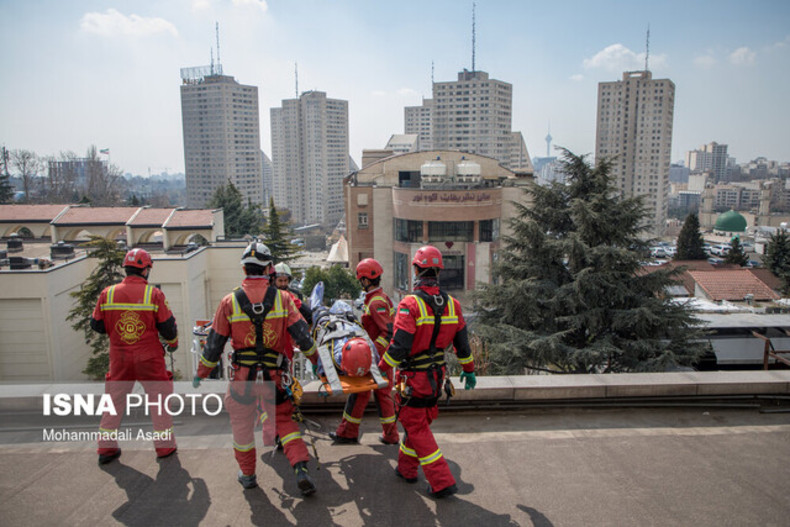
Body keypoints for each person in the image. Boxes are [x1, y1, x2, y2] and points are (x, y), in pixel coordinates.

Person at [192, 242, 320, 496]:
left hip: (242, 381)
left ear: (244, 269)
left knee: (242, 428)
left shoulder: (229, 302)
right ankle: (300, 467)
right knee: (286, 422)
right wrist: (318, 364)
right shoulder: (283, 299)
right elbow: (304, 338)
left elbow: (214, 346)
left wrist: (201, 374)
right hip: (275, 378)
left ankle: (248, 475)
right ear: (269, 268)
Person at [379, 246, 476, 499]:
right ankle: (406, 469)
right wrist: (469, 370)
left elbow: (399, 346)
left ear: (416, 270)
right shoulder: (454, 305)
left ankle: (442, 481)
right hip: (437, 378)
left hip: (414, 379)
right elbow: (463, 346)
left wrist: (381, 369)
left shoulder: (409, 304)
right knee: (417, 424)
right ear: (439, 271)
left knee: (417, 427)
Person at [91, 248, 179, 465]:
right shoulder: (154, 295)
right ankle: (164, 447)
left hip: (119, 357)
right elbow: (168, 328)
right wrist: (173, 344)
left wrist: (118, 332)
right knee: (158, 400)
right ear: (146, 270)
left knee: (114, 402)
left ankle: (106, 448)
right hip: (149, 358)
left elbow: (97, 325)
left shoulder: (107, 294)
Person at [328, 258, 399, 445]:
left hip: (376, 358)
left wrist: (372, 353)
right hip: (378, 357)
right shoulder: (379, 298)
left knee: (366, 393)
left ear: (366, 280)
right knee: (370, 394)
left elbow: (387, 332)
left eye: (361, 280)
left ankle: (349, 432)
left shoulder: (376, 302)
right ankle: (387, 435)